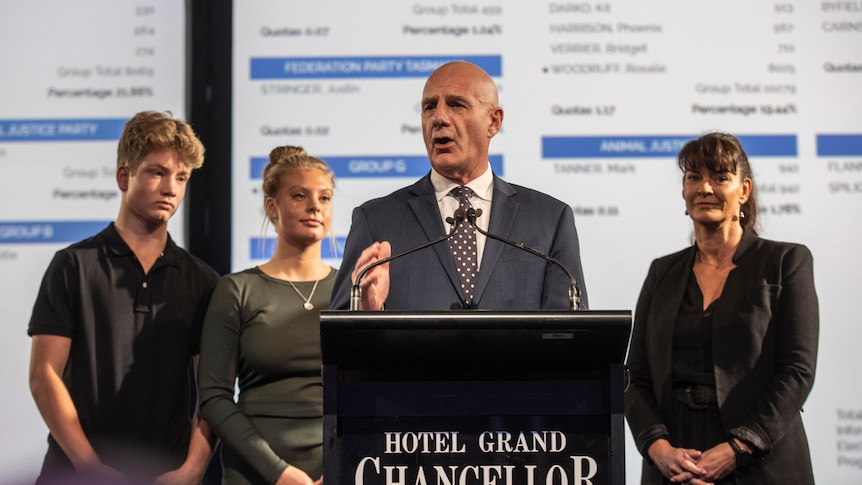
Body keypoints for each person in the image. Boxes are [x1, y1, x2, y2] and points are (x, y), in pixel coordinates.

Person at [27, 111, 219, 484]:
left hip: (166, 473)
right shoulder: (72, 266)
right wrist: (89, 466)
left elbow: (214, 388)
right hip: (74, 472)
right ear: (123, 176)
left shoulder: (203, 280)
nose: (171, 188)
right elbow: (44, 374)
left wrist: (193, 469)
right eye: (157, 172)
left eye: (181, 177)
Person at [625, 132, 819, 484]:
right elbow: (634, 377)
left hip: (760, 461)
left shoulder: (786, 262)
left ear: (743, 190)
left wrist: (740, 446)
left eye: (720, 177)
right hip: (675, 465)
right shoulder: (662, 272)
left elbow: (797, 371)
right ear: (684, 192)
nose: (705, 188)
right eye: (694, 177)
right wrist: (658, 447)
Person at [331, 61, 588, 311]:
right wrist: (367, 313)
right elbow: (336, 343)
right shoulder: (376, 220)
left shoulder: (549, 219)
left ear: (494, 122)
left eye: (456, 105)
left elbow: (572, 335)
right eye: (429, 107)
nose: (439, 117)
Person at [198, 146, 334, 485]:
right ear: (272, 207)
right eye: (300, 195)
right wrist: (279, 473)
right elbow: (214, 398)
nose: (315, 206)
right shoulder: (237, 290)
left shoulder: (349, 290)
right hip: (255, 469)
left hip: (336, 467)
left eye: (325, 197)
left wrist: (338, 469)